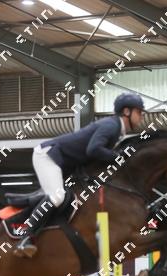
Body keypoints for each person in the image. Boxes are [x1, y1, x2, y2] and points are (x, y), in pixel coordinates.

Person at [13, 92, 145, 258]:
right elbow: (93, 149)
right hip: (48, 156)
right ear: (126, 111)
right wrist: (118, 157)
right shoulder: (111, 126)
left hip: (64, 162)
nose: (141, 116)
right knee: (57, 196)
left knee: (70, 197)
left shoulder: (118, 130)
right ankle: (26, 237)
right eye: (139, 112)